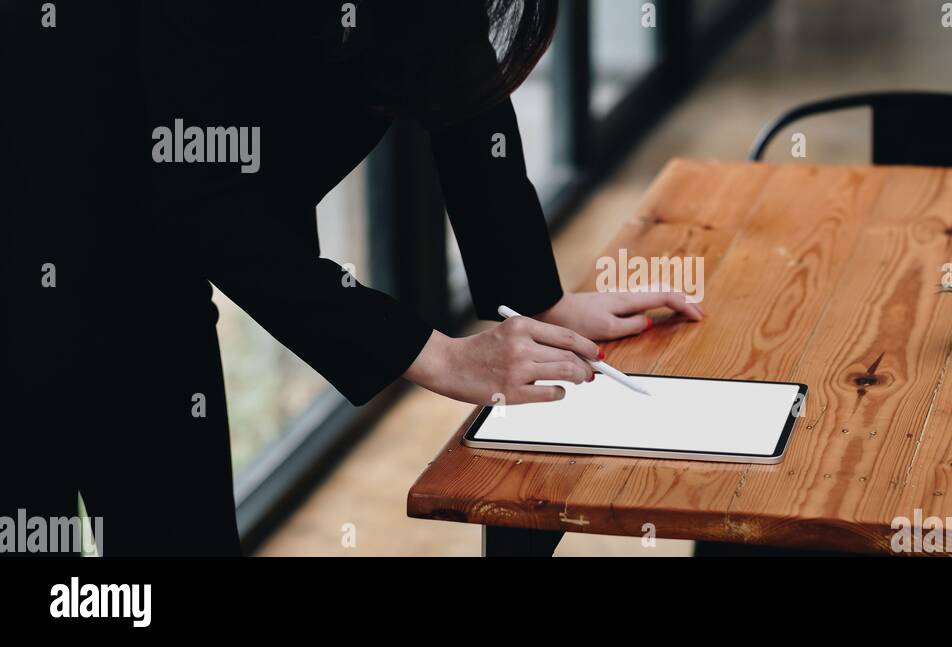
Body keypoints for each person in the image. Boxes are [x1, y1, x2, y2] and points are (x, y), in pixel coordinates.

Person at [1, 0, 700, 556]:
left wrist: (540, 299)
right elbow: (208, 199)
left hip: (155, 275)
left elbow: (460, 74)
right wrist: (441, 355)